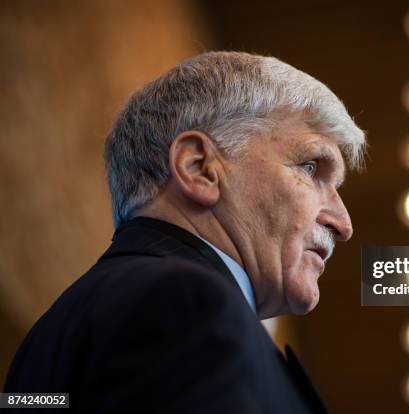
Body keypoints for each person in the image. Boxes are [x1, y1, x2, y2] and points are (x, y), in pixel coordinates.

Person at [3, 51, 366, 412]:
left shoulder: (56, 330)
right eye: (309, 168)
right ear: (199, 168)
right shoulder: (184, 303)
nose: (343, 224)